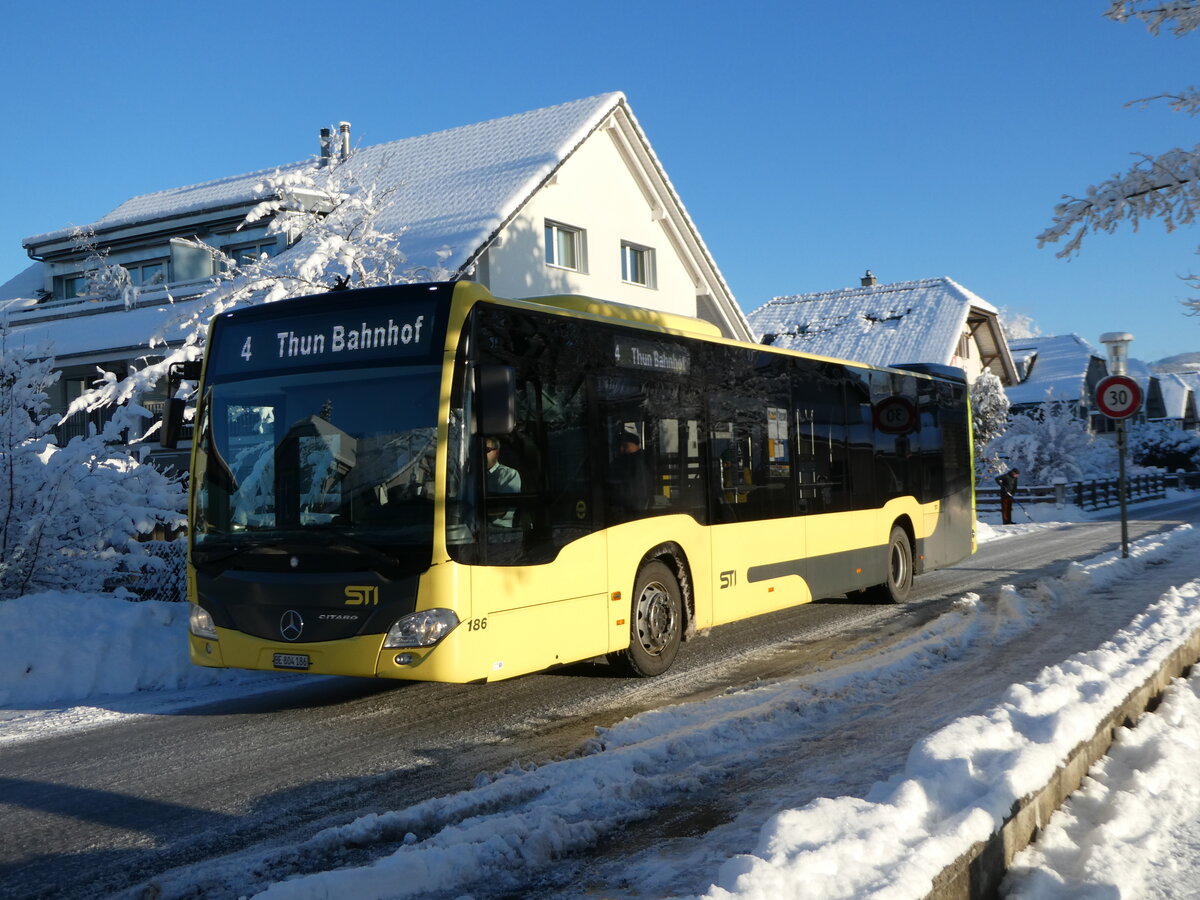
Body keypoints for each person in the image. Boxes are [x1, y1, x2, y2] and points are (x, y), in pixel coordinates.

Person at [610, 431, 651, 519]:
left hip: (630, 509)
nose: (621, 449)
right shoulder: (645, 458)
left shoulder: (629, 462)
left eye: (624, 446)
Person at [484, 437, 521, 527]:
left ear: (497, 452)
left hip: (500, 532)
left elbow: (503, 508)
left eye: (486, 450)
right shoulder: (470, 476)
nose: (482, 453)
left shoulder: (509, 474)